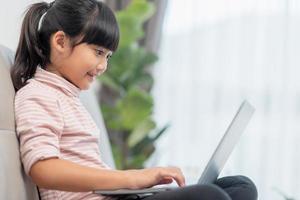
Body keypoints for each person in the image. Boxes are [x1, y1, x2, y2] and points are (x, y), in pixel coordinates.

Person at [11, 0, 258, 200]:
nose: (103, 66)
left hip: (116, 196)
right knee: (209, 196)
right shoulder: (37, 94)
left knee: (240, 187)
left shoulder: (70, 98)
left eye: (107, 56)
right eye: (98, 52)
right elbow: (43, 169)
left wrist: (135, 184)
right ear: (61, 42)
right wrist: (133, 178)